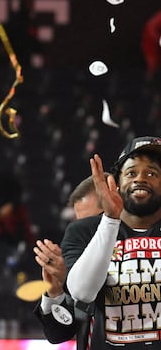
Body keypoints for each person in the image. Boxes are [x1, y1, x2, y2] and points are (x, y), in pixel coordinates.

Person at [62, 136, 161, 349]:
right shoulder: (84, 230)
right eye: (131, 172)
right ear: (117, 182)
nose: (140, 179)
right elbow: (82, 292)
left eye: (151, 173)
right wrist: (110, 220)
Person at [33, 174, 106, 344]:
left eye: (92, 222)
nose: (82, 232)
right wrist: (55, 291)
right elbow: (58, 334)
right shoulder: (77, 262)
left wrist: (70, 279)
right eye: (79, 223)